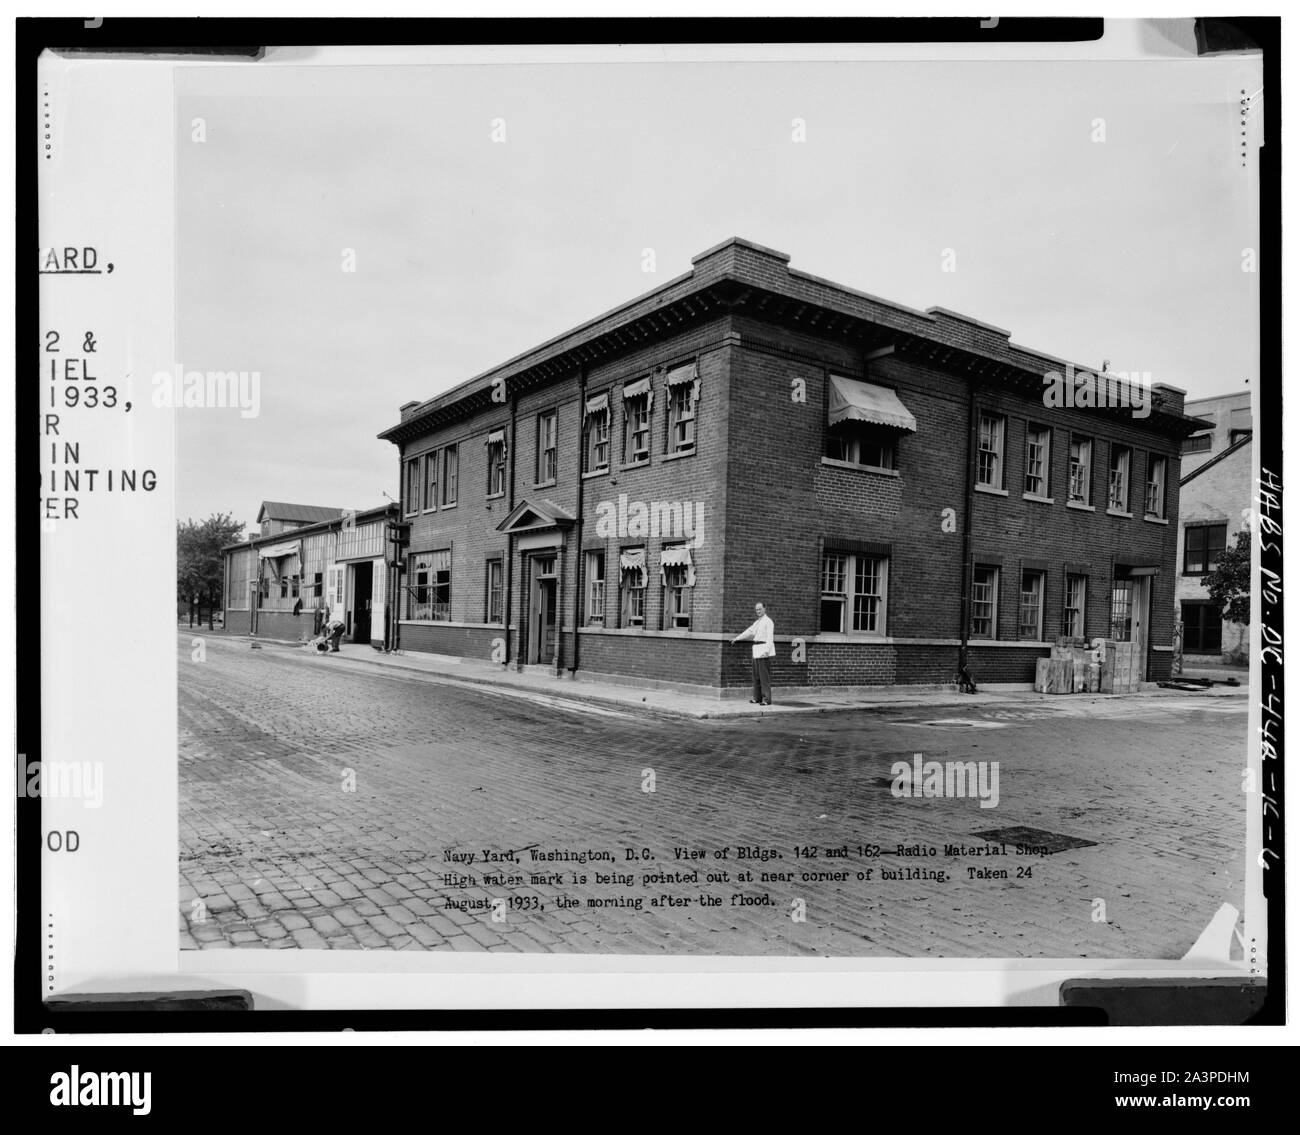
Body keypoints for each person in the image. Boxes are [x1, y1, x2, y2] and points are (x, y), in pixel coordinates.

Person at [731, 601, 776, 706]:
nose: (758, 611)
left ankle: (766, 699)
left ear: (765, 609)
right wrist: (737, 638)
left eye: (760, 609)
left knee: (764, 677)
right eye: (757, 610)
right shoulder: (757, 622)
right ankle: (757, 698)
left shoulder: (768, 622)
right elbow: (749, 632)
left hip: (763, 650)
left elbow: (770, 638)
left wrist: (766, 651)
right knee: (756, 676)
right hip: (756, 650)